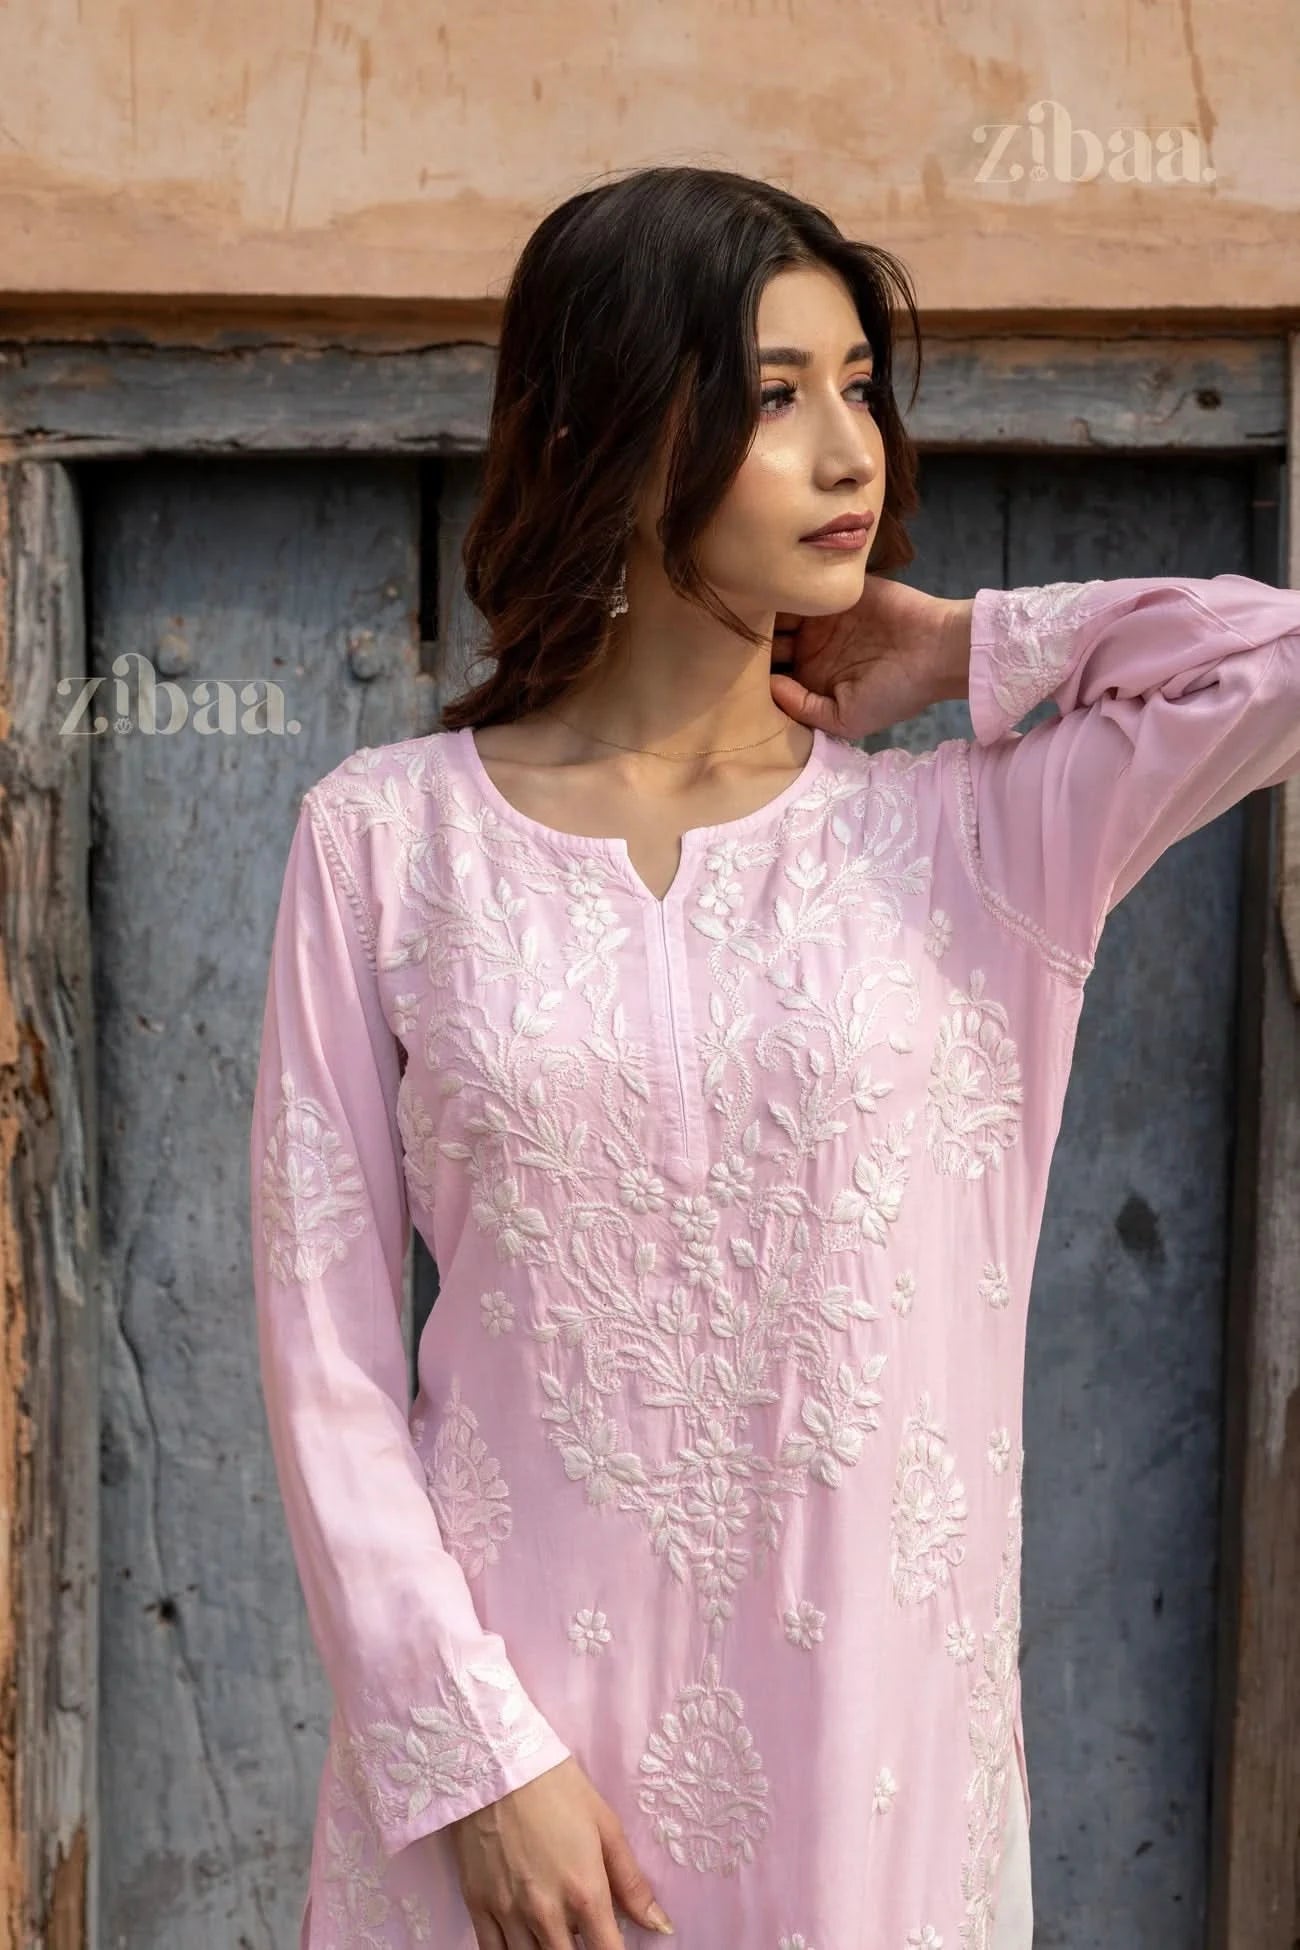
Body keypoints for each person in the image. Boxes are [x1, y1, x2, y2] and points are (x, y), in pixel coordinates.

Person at [248, 164, 1300, 1950]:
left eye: (860, 389)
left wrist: (966, 646)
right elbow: (323, 1348)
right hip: (512, 1817)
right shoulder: (386, 842)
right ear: (605, 425)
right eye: (774, 394)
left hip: (870, 1800)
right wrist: (472, 1763)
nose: (847, 452)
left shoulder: (975, 846)